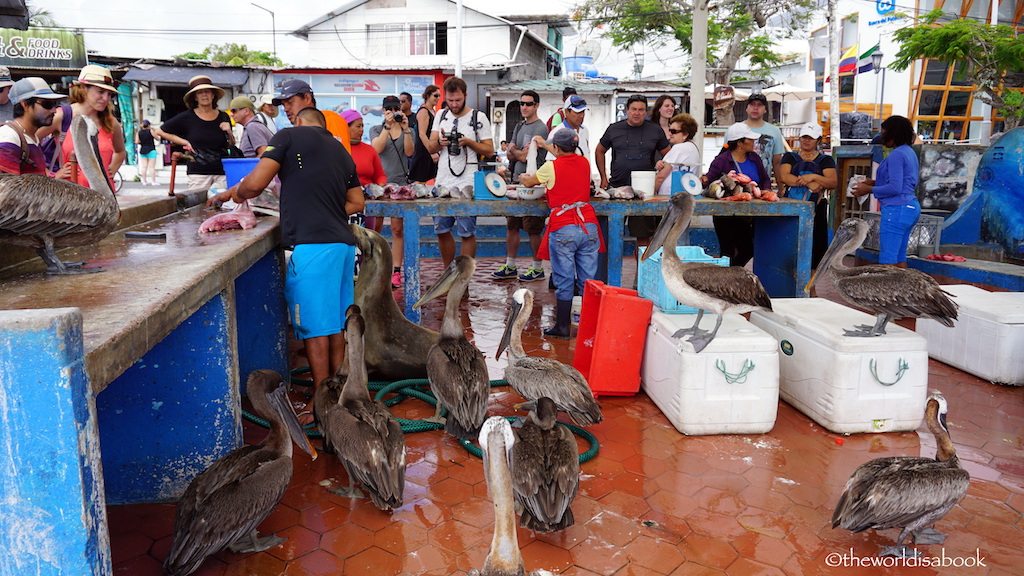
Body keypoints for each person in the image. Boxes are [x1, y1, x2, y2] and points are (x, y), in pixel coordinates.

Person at [207, 107, 364, 425]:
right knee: (335, 324)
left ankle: (323, 410)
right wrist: (323, 209)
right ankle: (338, 399)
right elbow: (357, 203)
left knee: (314, 327)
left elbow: (255, 185)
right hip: (343, 247)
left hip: (314, 248)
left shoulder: (288, 136)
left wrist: (234, 193)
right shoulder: (340, 150)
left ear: (299, 121)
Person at [521, 129, 603, 338]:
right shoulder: (584, 162)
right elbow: (564, 154)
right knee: (588, 281)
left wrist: (523, 177)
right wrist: (545, 143)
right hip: (588, 226)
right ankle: (590, 327)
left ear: (556, 148)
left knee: (565, 280)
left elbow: (530, 183)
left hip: (565, 227)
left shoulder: (551, 167)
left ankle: (563, 327)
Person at [427, 76, 494, 267]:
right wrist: (440, 143)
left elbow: (489, 150)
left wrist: (469, 142)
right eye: (450, 100)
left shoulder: (478, 117)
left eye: (458, 100)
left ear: (466, 95)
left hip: (468, 183)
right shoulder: (440, 115)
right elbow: (431, 148)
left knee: (467, 232)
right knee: (441, 229)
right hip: (443, 182)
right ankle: (450, 273)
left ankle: (462, 279)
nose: (454, 104)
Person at [596, 93, 670, 250]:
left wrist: (661, 169)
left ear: (646, 112)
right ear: (627, 110)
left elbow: (669, 157)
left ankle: (640, 274)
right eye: (634, 109)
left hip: (644, 192)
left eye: (641, 110)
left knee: (643, 238)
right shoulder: (614, 129)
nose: (637, 113)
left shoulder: (655, 130)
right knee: (611, 235)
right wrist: (603, 177)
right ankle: (609, 274)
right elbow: (599, 151)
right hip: (617, 189)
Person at [41, 66, 126, 191]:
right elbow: (29, 143)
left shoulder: (110, 122)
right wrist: (52, 174)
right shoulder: (62, 116)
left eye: (109, 94)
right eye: (100, 92)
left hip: (103, 197)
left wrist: (111, 170)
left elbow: (120, 152)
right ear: (83, 88)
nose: (106, 98)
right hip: (69, 196)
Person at [851, 115, 920, 268]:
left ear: (893, 134)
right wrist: (873, 182)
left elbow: (895, 188)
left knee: (888, 259)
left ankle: (890, 292)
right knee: (900, 256)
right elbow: (903, 183)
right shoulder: (908, 151)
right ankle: (904, 291)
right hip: (909, 207)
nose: (881, 137)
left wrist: (868, 189)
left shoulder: (897, 154)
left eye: (883, 133)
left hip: (897, 209)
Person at [493, 90, 548, 282]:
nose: (524, 107)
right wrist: (515, 151)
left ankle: (537, 268)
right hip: (515, 182)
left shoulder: (540, 128)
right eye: (522, 103)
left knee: (533, 228)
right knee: (512, 225)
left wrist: (513, 150)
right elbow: (509, 154)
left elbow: (523, 156)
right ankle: (510, 265)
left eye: (529, 104)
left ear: (536, 106)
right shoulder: (519, 125)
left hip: (533, 184)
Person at [701, 122, 772, 267]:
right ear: (740, 143)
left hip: (746, 215)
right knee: (727, 251)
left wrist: (766, 190)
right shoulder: (721, 160)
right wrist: (703, 181)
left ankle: (731, 273)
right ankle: (724, 282)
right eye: (750, 139)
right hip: (724, 214)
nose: (753, 142)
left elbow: (765, 179)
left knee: (747, 250)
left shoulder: (754, 158)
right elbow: (709, 181)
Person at [152, 74, 232, 190]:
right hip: (198, 172)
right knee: (198, 206)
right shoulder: (187, 117)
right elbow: (160, 131)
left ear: (213, 95)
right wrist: (184, 142)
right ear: (195, 97)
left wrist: (229, 131)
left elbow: (231, 143)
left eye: (207, 91)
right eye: (200, 92)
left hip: (222, 171)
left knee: (224, 205)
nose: (204, 95)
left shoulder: (223, 116)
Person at [369, 95, 414, 288]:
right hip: (379, 185)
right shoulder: (376, 129)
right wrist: (388, 127)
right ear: (383, 110)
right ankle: (374, 266)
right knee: (375, 229)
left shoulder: (408, 129)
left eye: (396, 108)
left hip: (400, 184)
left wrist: (405, 130)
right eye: (389, 109)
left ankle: (396, 270)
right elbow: (377, 149)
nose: (393, 112)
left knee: (397, 229)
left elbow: (410, 152)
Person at [779, 122, 837, 268]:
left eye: (811, 138)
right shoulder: (789, 157)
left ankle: (811, 288)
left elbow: (832, 182)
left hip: (817, 208)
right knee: (790, 244)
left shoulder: (826, 160)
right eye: (804, 137)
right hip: (792, 207)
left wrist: (813, 177)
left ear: (818, 140)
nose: (806, 140)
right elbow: (784, 177)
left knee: (816, 247)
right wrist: (809, 183)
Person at [0, 77, 66, 176]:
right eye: (47, 104)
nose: (54, 110)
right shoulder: (9, 138)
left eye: (54, 104)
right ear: (25, 104)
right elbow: (6, 188)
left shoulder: (32, 138)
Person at [271, 78, 350, 151]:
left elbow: (338, 161)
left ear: (307, 98)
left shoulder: (330, 119)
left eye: (290, 102)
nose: (286, 109)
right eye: (283, 105)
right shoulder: (295, 131)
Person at [342, 109, 386, 231]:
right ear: (346, 127)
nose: (362, 129)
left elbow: (380, 176)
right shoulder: (337, 150)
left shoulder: (369, 150)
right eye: (358, 126)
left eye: (362, 126)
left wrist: (378, 188)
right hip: (345, 205)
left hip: (367, 204)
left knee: (367, 243)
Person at [743, 93, 785, 192]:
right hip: (739, 185)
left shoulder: (774, 131)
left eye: (760, 105)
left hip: (764, 186)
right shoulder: (735, 129)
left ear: (765, 109)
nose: (755, 108)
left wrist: (780, 187)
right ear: (747, 108)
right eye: (752, 104)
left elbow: (777, 162)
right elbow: (725, 157)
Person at [654, 113, 701, 196]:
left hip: (668, 196)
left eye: (673, 131)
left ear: (685, 134)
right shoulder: (694, 148)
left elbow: (660, 177)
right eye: (669, 130)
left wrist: (650, 194)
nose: (670, 134)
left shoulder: (678, 148)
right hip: (686, 196)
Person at [408, 84, 440, 184]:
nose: (438, 98)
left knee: (437, 178)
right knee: (420, 181)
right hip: (423, 150)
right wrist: (432, 152)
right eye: (435, 95)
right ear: (428, 96)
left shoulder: (432, 111)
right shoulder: (424, 111)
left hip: (430, 149)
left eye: (439, 96)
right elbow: (422, 134)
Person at [135, 119, 159, 186]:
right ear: (149, 125)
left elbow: (136, 142)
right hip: (151, 149)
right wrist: (154, 130)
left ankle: (144, 181)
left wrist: (142, 142)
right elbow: (157, 138)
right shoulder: (151, 131)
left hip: (143, 150)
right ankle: (153, 181)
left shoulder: (139, 132)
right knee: (152, 167)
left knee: (144, 167)